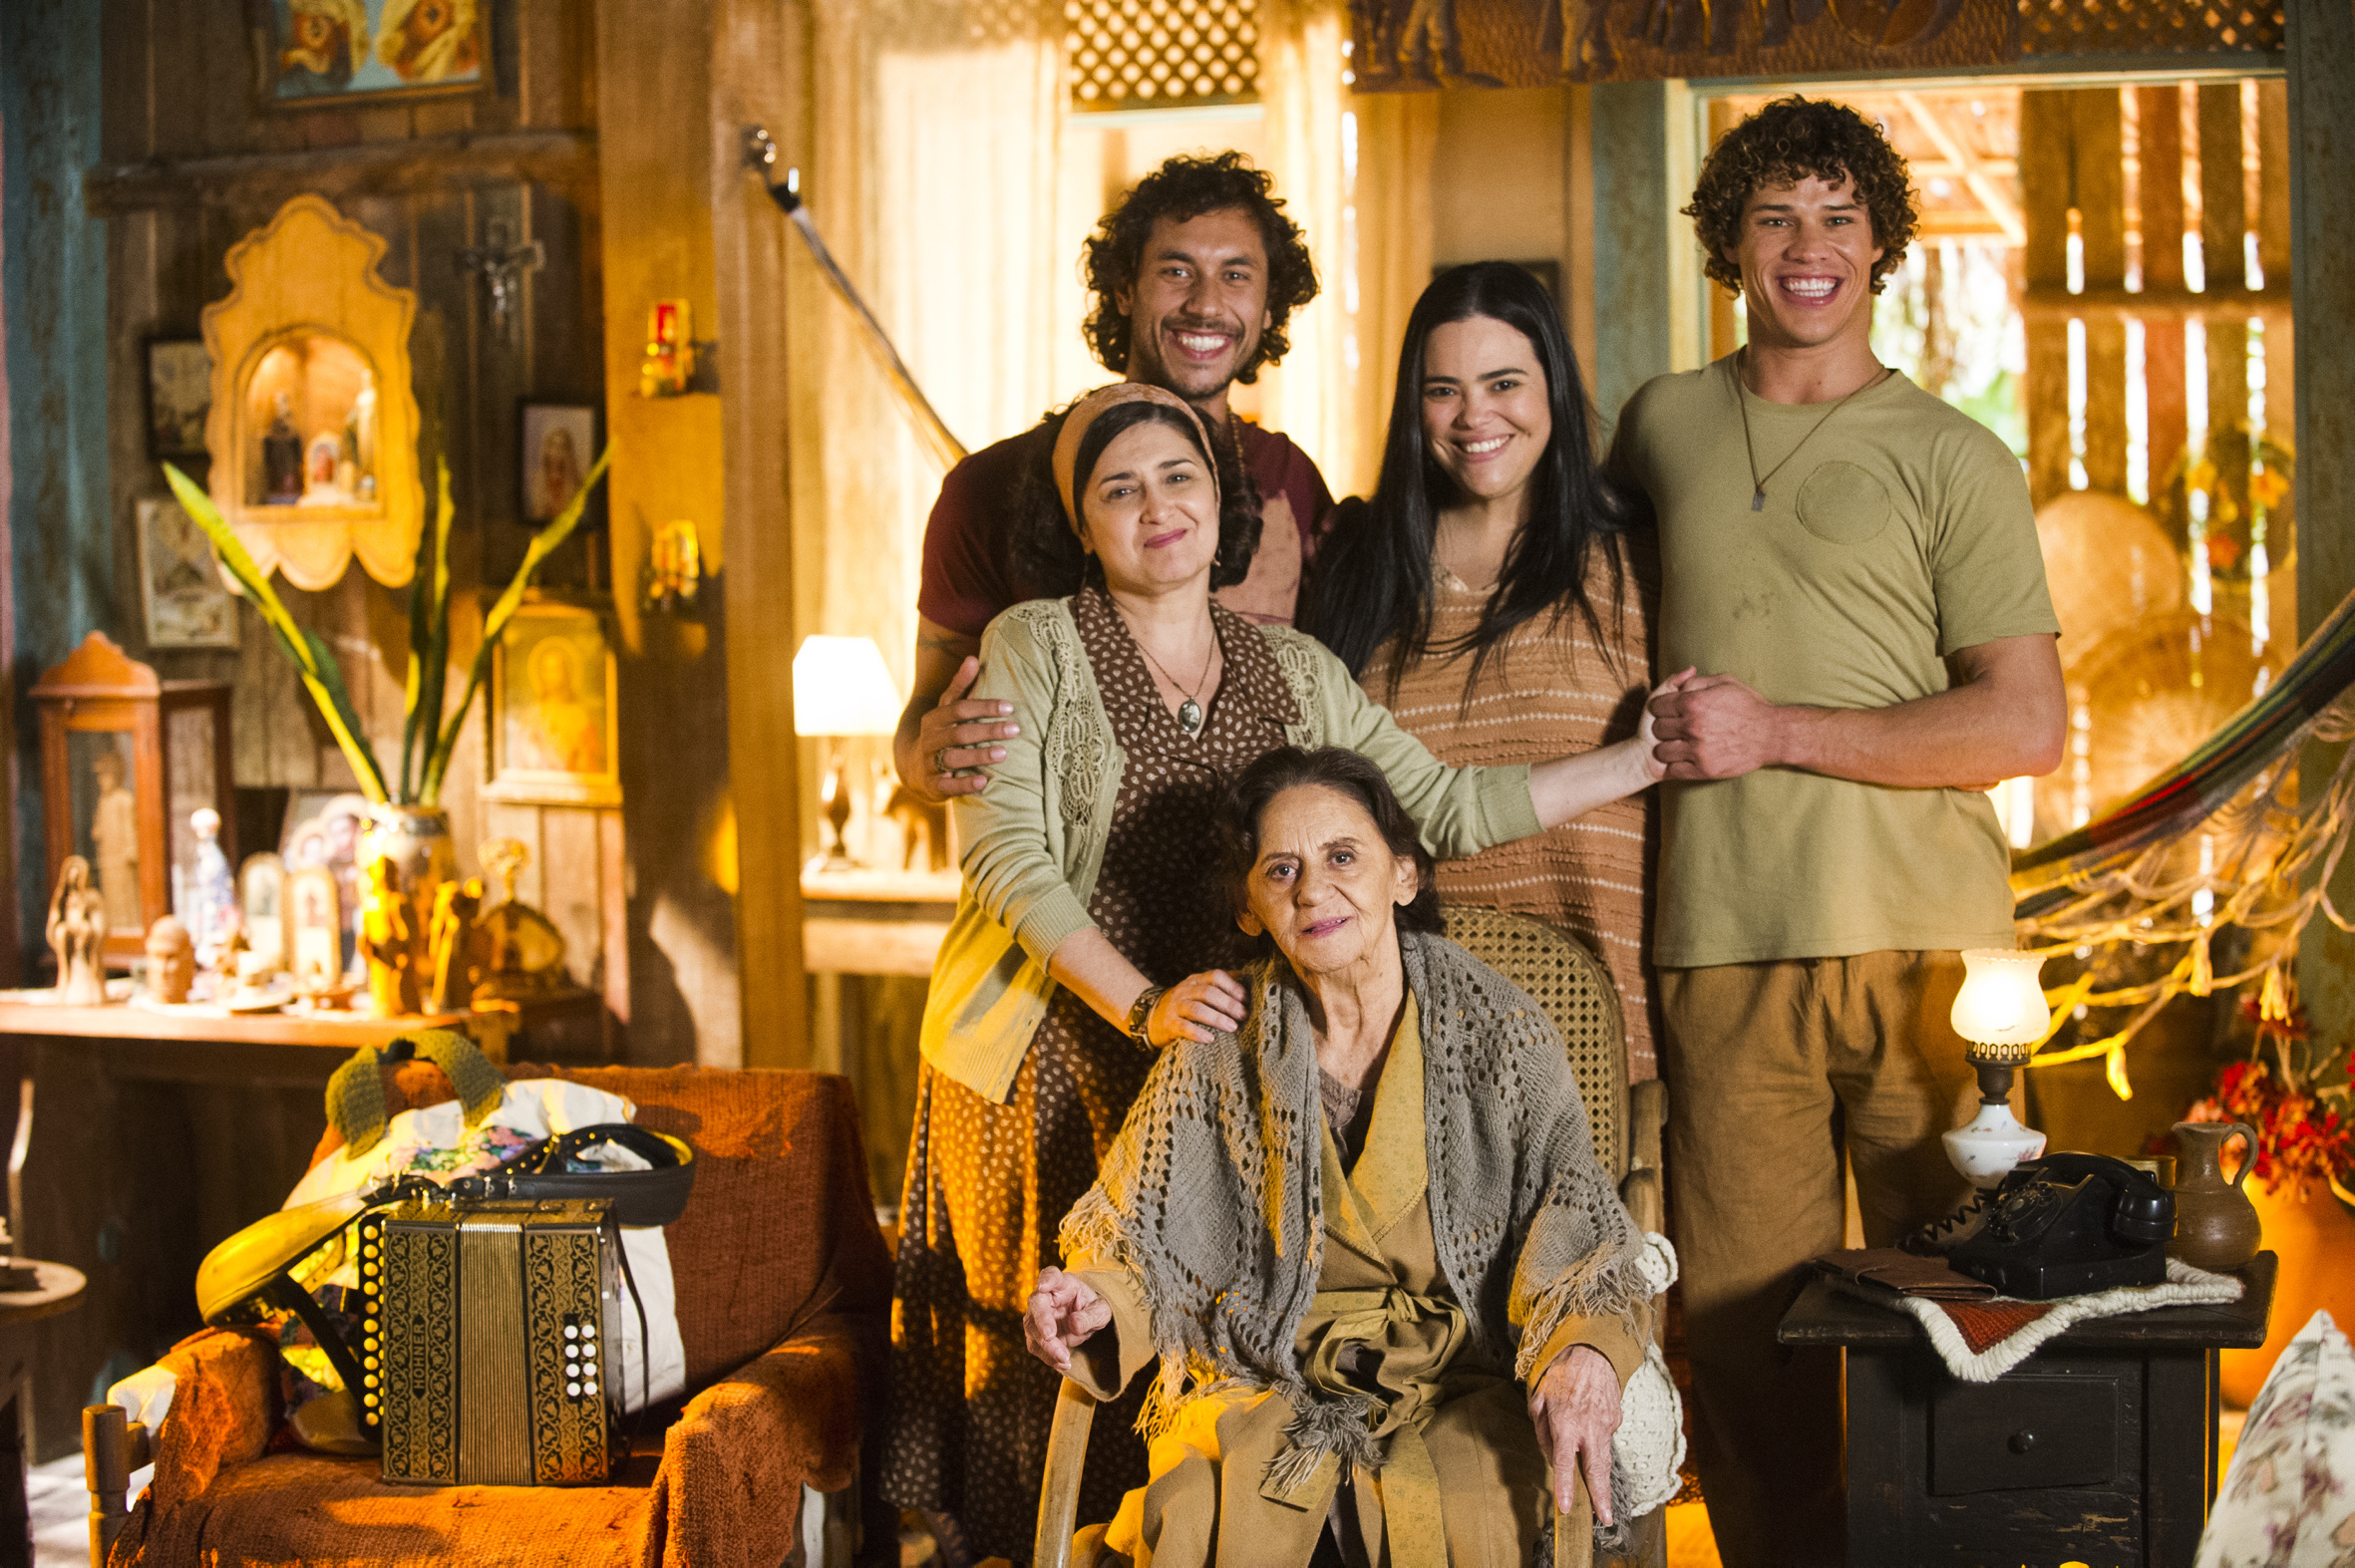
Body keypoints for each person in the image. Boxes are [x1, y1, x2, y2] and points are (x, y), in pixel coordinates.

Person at [882, 383, 1675, 1561]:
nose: (1156, 507)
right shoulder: (1033, 644)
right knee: (1053, 1367)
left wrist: (1637, 759)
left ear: (1220, 502)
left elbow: (1440, 804)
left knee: (1206, 1365)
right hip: (1063, 1047)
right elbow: (1006, 857)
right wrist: (1142, 1003)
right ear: (1083, 525)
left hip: (1232, 1040)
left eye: (1180, 479)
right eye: (1119, 488)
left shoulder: (1292, 667)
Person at [1613, 97, 2065, 1566]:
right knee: (1748, 1350)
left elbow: (2020, 725)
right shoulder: (1657, 425)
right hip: (1716, 947)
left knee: (1970, 1316)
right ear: (1726, 244)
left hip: (1931, 956)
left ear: (1880, 245)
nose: (1806, 249)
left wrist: (1779, 731)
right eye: (1772, 216)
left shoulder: (1953, 456)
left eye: (1835, 216)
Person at [1025, 746, 1665, 1566]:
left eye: (1342, 856)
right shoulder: (1217, 1048)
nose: (1314, 889)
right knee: (1193, 1509)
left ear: (1403, 874)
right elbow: (1139, 1243)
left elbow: (1574, 1210)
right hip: (1266, 1378)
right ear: (1251, 907)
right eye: (1281, 869)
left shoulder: (1502, 1030)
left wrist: (1580, 1344)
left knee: (1485, 1508)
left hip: (1459, 1380)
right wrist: (1093, 1303)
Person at [893, 152, 1335, 812]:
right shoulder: (988, 488)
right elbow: (919, 726)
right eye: (1176, 270)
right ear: (1125, 289)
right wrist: (923, 761)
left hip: (1254, 895)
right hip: (1053, 900)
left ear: (1270, 307)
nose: (1206, 302)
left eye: (1236, 275)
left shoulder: (1290, 481)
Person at [1308, 260, 1660, 1079]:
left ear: (1554, 390)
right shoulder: (1360, 567)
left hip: (1608, 1029)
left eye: (1504, 382)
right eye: (1443, 390)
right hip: (1410, 1042)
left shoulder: (1640, 559)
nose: (1475, 416)